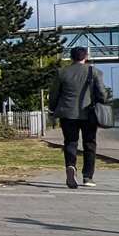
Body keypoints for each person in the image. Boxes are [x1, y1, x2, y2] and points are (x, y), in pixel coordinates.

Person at [49, 47, 106, 189]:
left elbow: (54, 94)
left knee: (70, 142)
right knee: (89, 144)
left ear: (71, 57)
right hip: (89, 114)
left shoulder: (62, 73)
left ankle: (70, 166)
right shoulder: (95, 72)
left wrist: (52, 108)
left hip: (67, 114)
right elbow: (102, 95)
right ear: (85, 57)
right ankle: (88, 176)